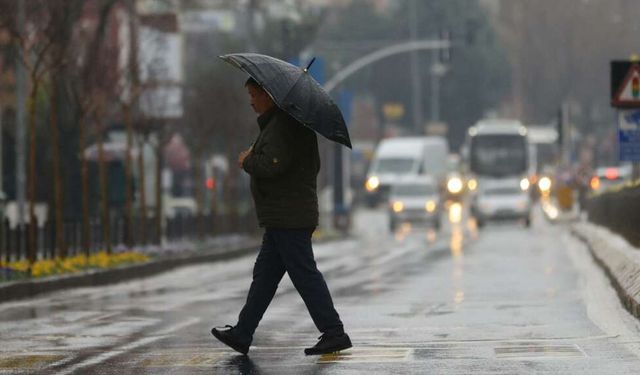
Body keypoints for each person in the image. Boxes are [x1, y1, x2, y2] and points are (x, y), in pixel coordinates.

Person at [211, 77, 352, 356]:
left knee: (304, 274)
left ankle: (334, 332)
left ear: (268, 95)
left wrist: (247, 160)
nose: (251, 100)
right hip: (284, 216)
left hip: (290, 216)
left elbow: (272, 165)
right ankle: (243, 332)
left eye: (254, 94)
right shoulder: (283, 124)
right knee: (264, 276)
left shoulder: (284, 125)